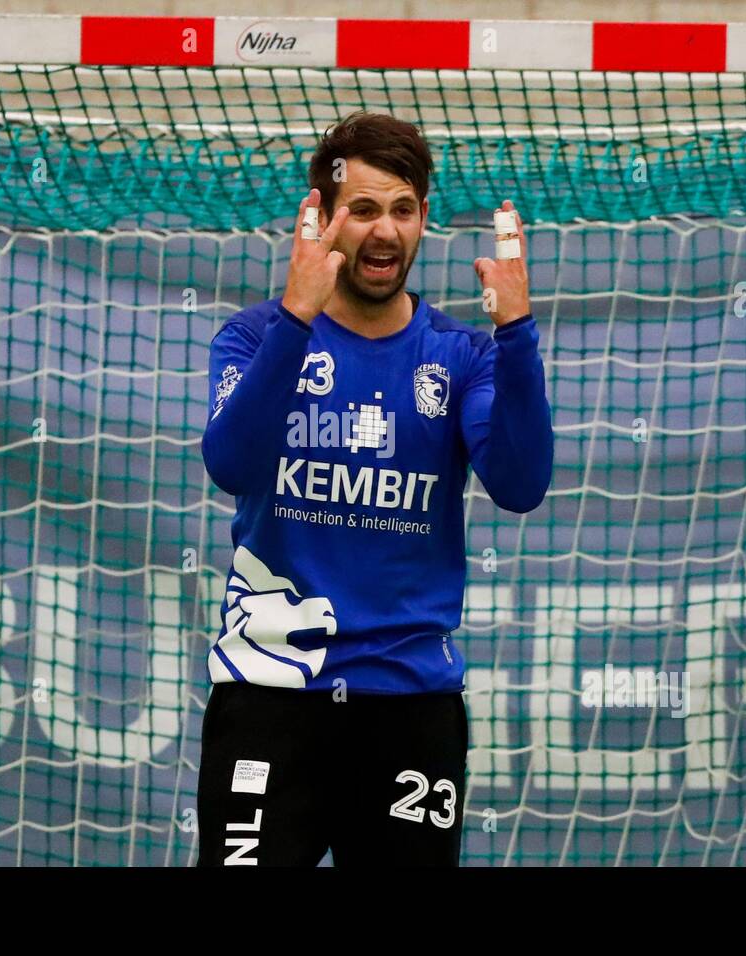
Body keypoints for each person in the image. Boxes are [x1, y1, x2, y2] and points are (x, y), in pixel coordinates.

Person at [197, 110, 553, 866]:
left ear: (423, 217)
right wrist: (299, 312)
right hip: (269, 700)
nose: (383, 231)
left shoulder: (462, 355)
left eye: (401, 209)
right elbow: (231, 464)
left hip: (408, 706)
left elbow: (521, 484)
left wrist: (516, 332)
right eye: (361, 210)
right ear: (322, 218)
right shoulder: (256, 336)